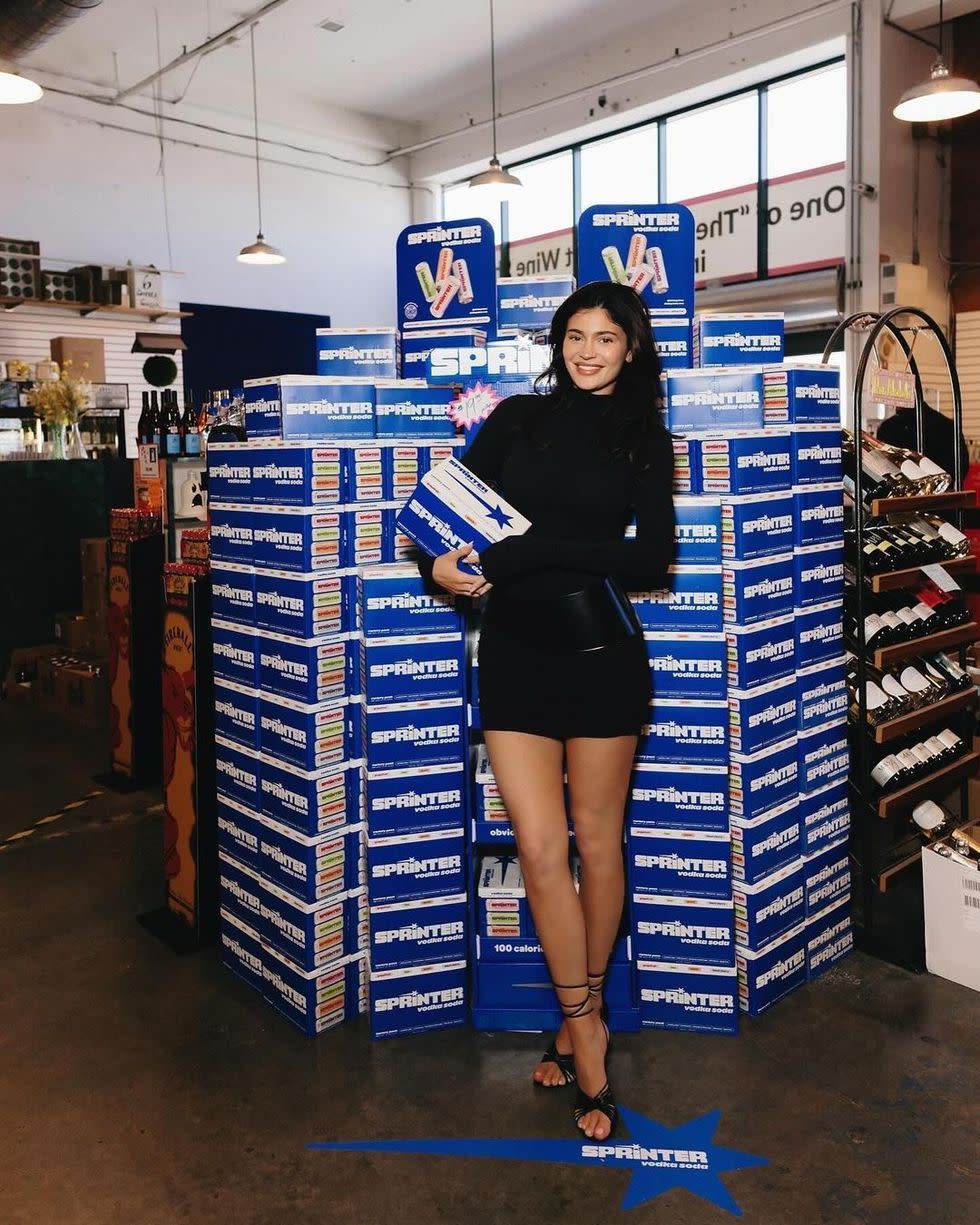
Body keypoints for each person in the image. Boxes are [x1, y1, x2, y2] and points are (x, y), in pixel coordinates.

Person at [423, 281, 675, 1142]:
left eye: (607, 336)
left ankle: (579, 1019)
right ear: (558, 342)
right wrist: (441, 571)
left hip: (602, 656)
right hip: (516, 659)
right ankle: (590, 1033)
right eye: (576, 334)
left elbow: (654, 554)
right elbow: (448, 529)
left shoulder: (643, 435)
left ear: (631, 347)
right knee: (539, 848)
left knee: (597, 844)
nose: (589, 349)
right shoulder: (515, 422)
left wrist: (531, 551)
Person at [876, 400, 969, 483]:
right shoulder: (947, 425)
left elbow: (882, 468)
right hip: (943, 495)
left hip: (902, 497)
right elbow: (960, 466)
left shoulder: (888, 428)